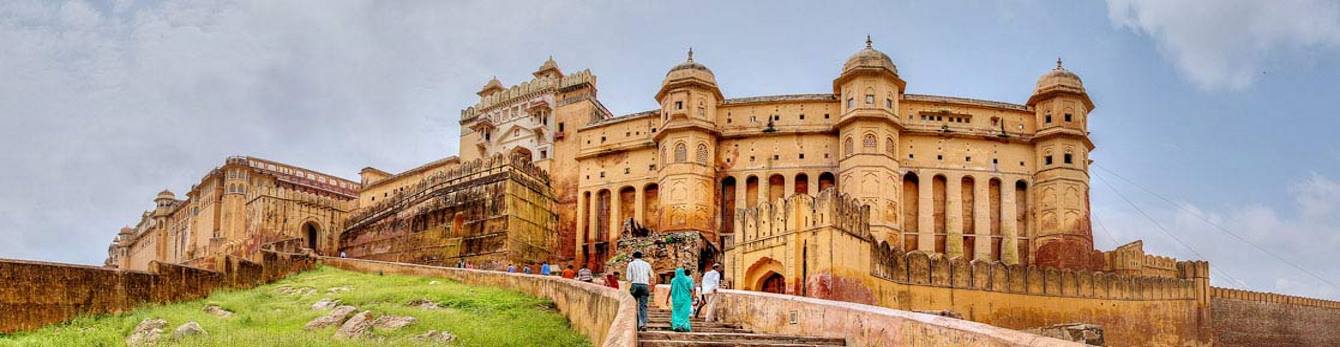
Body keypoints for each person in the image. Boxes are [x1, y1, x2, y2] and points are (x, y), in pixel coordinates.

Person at [626, 251, 653, 330]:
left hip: (635, 285)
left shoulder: (631, 264)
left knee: (633, 305)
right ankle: (643, 324)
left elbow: (629, 278)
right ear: (641, 257)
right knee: (643, 306)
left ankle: (635, 323)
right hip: (645, 285)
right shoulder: (647, 264)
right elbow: (651, 276)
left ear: (633, 257)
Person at [669, 267, 694, 332]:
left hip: (676, 299)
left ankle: (677, 325)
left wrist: (667, 298)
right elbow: (691, 289)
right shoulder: (688, 280)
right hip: (686, 299)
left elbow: (671, 289)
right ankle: (684, 326)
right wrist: (693, 297)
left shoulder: (673, 280)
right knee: (684, 313)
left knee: (676, 313)